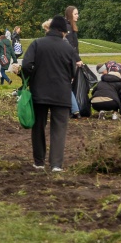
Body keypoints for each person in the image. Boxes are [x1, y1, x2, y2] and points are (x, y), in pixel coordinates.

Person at [18, 15, 76, 172]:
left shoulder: (37, 44)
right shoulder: (68, 48)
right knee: (59, 129)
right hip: (62, 94)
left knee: (38, 127)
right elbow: (73, 71)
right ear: (63, 31)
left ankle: (39, 162)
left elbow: (26, 65)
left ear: (49, 29)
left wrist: (31, 78)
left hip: (39, 92)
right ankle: (56, 165)